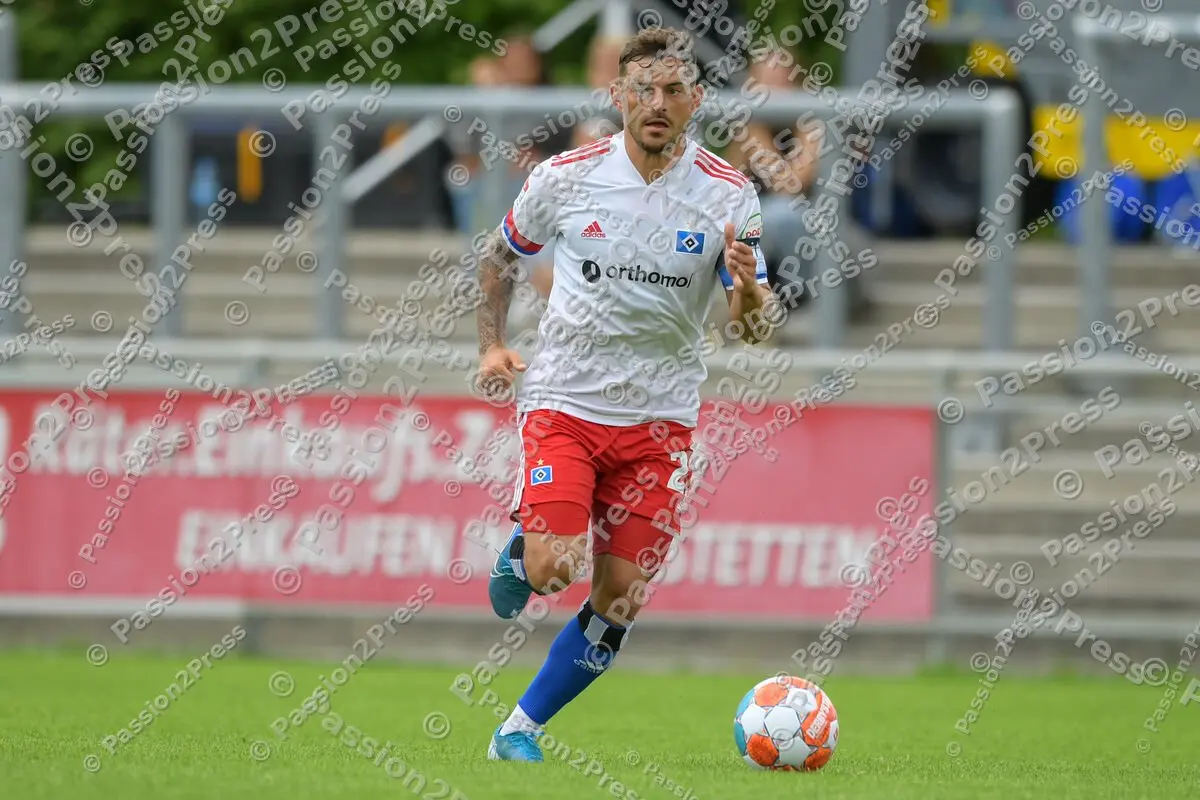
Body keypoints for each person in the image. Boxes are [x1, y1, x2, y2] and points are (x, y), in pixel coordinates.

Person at [474, 26, 775, 762]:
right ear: (617, 95)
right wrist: (491, 341)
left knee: (617, 602)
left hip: (661, 422)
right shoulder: (565, 177)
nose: (657, 103)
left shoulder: (730, 196)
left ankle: (518, 730)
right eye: (643, 88)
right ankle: (524, 553)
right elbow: (499, 256)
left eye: (674, 90)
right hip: (566, 406)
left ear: (696, 100)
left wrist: (744, 297)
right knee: (555, 570)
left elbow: (754, 330)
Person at [725, 47, 874, 320]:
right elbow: (726, 194)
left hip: (826, 237)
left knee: (782, 214)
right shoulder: (745, 128)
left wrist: (756, 137)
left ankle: (797, 306)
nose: (769, 91)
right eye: (762, 82)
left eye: (778, 80)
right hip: (768, 244)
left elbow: (790, 186)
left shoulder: (813, 123)